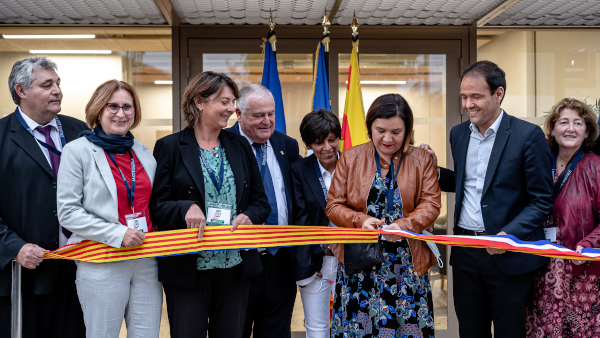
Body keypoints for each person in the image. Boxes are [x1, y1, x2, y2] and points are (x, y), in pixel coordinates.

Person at [420, 60, 553, 338]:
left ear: (498, 94)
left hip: (509, 253)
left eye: (476, 96)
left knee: (509, 332)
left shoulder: (528, 136)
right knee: (470, 331)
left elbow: (541, 200)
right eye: (464, 97)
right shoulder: (458, 134)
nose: (468, 104)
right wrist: (433, 168)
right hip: (466, 251)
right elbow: (467, 184)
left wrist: (506, 236)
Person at [150, 71, 270, 338]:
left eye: (232, 102)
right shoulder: (169, 147)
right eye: (224, 102)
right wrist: (185, 208)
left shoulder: (240, 146)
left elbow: (261, 203)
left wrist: (250, 216)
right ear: (199, 102)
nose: (231, 109)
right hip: (188, 267)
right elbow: (156, 206)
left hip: (235, 265)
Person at [326, 94, 441, 337]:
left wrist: (404, 225)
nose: (387, 139)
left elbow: (431, 205)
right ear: (369, 127)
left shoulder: (421, 159)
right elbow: (333, 206)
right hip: (360, 262)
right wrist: (361, 220)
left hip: (406, 262)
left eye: (396, 132)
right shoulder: (350, 158)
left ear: (408, 130)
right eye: (380, 130)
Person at [56, 80, 162, 337]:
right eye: (112, 106)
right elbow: (68, 212)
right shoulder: (77, 151)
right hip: (102, 257)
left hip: (146, 258)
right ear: (98, 110)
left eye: (127, 107)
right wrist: (118, 234)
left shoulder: (142, 151)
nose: (121, 113)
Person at [0, 56, 87, 337]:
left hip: (78, 270)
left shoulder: (80, 132)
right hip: (23, 274)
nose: (57, 90)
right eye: (47, 84)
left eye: (58, 83)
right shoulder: (1, 137)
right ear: (21, 91)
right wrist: (14, 246)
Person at [226, 84, 302, 338]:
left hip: (280, 259)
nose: (267, 121)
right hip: (239, 260)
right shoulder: (223, 144)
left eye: (271, 114)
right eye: (258, 115)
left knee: (277, 332)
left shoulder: (287, 145)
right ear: (239, 113)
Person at [525, 98, 600, 337]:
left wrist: (588, 244)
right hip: (539, 267)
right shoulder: (537, 164)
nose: (570, 128)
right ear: (553, 128)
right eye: (563, 122)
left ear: (587, 131)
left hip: (579, 269)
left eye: (577, 123)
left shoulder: (596, 167)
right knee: (540, 329)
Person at [291, 109, 341, 338]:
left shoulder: (354, 165)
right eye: (319, 143)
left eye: (332, 140)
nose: (328, 148)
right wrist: (305, 267)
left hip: (352, 261)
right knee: (317, 328)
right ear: (309, 144)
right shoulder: (299, 170)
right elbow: (300, 219)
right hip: (316, 263)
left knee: (351, 326)